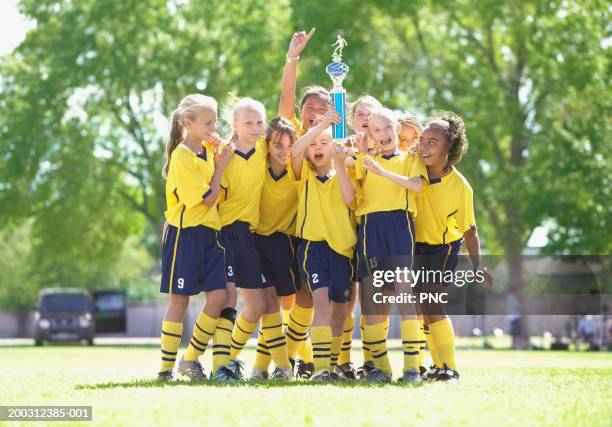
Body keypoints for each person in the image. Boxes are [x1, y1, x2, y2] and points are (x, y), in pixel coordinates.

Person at [347, 108, 426, 383]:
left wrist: (382, 172)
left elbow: (417, 186)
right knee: (371, 302)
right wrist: (355, 150)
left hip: (399, 225)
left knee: (405, 296)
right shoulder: (364, 160)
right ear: (369, 135)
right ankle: (381, 369)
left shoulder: (410, 159)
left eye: (387, 128)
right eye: (376, 130)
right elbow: (346, 168)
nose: (383, 134)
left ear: (397, 129)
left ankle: (413, 369)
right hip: (370, 227)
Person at [158, 94, 233, 381]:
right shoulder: (181, 156)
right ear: (187, 123)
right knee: (180, 301)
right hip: (185, 235)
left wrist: (219, 160)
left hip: (211, 235)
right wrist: (221, 167)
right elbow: (205, 200)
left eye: (215, 121)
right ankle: (165, 369)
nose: (214, 127)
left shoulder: (208, 151)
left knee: (219, 297)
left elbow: (221, 194)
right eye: (207, 122)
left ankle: (190, 359)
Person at [413, 111, 493, 382]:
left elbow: (471, 232)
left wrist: (478, 265)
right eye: (422, 140)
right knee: (420, 307)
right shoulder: (414, 168)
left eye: (432, 142)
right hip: (415, 246)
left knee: (432, 302)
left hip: (443, 247)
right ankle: (433, 366)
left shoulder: (461, 187)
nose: (424, 147)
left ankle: (449, 367)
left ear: (450, 149)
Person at [218, 98, 293, 380]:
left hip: (259, 238)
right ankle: (225, 361)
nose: (255, 127)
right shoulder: (227, 152)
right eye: (248, 122)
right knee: (248, 303)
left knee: (268, 304)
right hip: (235, 235)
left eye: (259, 122)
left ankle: (277, 367)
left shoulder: (265, 147)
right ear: (235, 125)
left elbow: (285, 122)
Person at [290, 110, 357, 381]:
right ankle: (321, 370)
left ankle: (333, 366)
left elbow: (349, 199)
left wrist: (340, 164)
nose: (317, 148)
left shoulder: (345, 171)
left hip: (343, 250)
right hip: (314, 247)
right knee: (322, 304)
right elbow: (296, 150)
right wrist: (322, 127)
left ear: (335, 147)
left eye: (324, 144)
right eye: (314, 145)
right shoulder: (303, 173)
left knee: (341, 311)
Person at [250, 117, 301, 380]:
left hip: (284, 243)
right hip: (255, 241)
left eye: (289, 145)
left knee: (281, 306)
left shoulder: (296, 169)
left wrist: (327, 121)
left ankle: (260, 366)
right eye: (278, 145)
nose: (283, 151)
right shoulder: (258, 164)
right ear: (267, 145)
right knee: (267, 303)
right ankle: (281, 367)